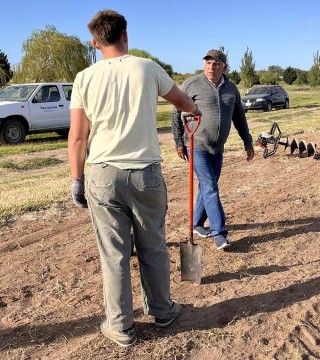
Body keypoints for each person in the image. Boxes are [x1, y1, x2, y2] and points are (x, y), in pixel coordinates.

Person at [68, 9, 200, 348]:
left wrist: (77, 179)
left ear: (95, 43)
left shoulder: (84, 78)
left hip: (102, 176)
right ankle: (162, 309)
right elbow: (183, 102)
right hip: (146, 175)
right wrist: (193, 111)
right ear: (126, 35)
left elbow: (78, 138)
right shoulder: (148, 68)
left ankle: (121, 327)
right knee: (152, 245)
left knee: (113, 253)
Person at [172, 49, 255, 251]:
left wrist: (248, 142)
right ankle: (219, 233)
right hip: (196, 145)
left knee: (207, 186)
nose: (211, 66)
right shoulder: (191, 84)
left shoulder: (231, 89)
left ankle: (197, 224)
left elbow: (240, 118)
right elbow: (176, 113)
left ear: (224, 67)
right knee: (210, 187)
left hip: (218, 148)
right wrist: (179, 142)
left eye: (216, 63)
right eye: (208, 63)